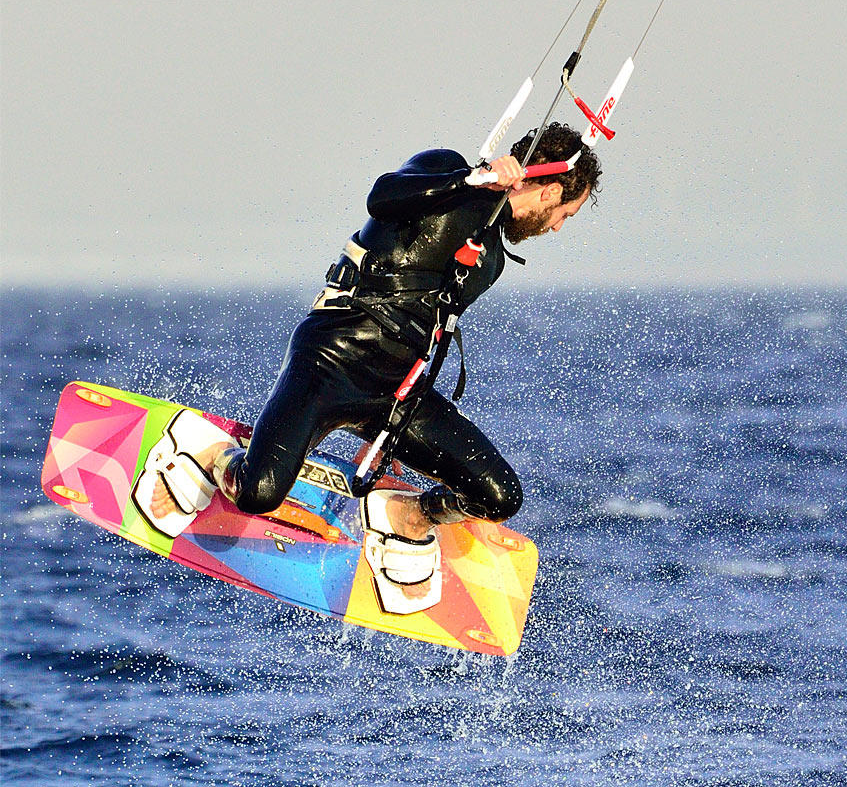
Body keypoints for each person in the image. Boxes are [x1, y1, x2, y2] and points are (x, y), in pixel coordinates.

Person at [134, 122, 601, 613]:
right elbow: (382, 197)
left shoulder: (492, 261)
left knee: (499, 496)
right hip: (331, 359)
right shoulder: (445, 169)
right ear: (549, 190)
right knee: (257, 493)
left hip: (395, 396)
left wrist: (393, 442)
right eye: (565, 213)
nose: (557, 227)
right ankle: (212, 455)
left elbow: (429, 335)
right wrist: (472, 182)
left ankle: (407, 515)